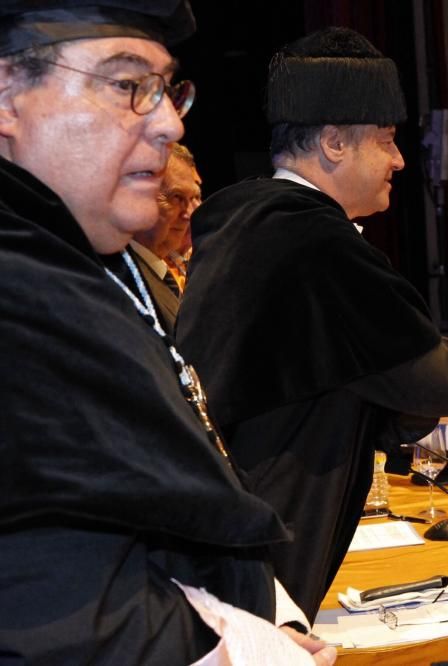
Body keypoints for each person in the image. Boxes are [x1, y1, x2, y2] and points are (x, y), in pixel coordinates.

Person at [176, 26, 448, 620]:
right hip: (255, 547)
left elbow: (386, 387)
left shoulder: (248, 222)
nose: (400, 160)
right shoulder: (312, 243)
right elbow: (435, 382)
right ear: (333, 141)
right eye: (387, 140)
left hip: (216, 524)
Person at [0, 2, 334, 663]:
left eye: (168, 89)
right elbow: (52, 615)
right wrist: (252, 651)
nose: (170, 123)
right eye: (128, 86)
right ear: (7, 97)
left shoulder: (79, 255)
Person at [128, 143, 200, 334]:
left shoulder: (154, 270)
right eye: (177, 197)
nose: (190, 214)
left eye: (194, 198)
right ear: (137, 197)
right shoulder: (123, 276)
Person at [159, 141, 201, 289]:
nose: (193, 211)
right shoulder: (150, 264)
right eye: (178, 197)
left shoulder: (210, 254)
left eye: (196, 197)